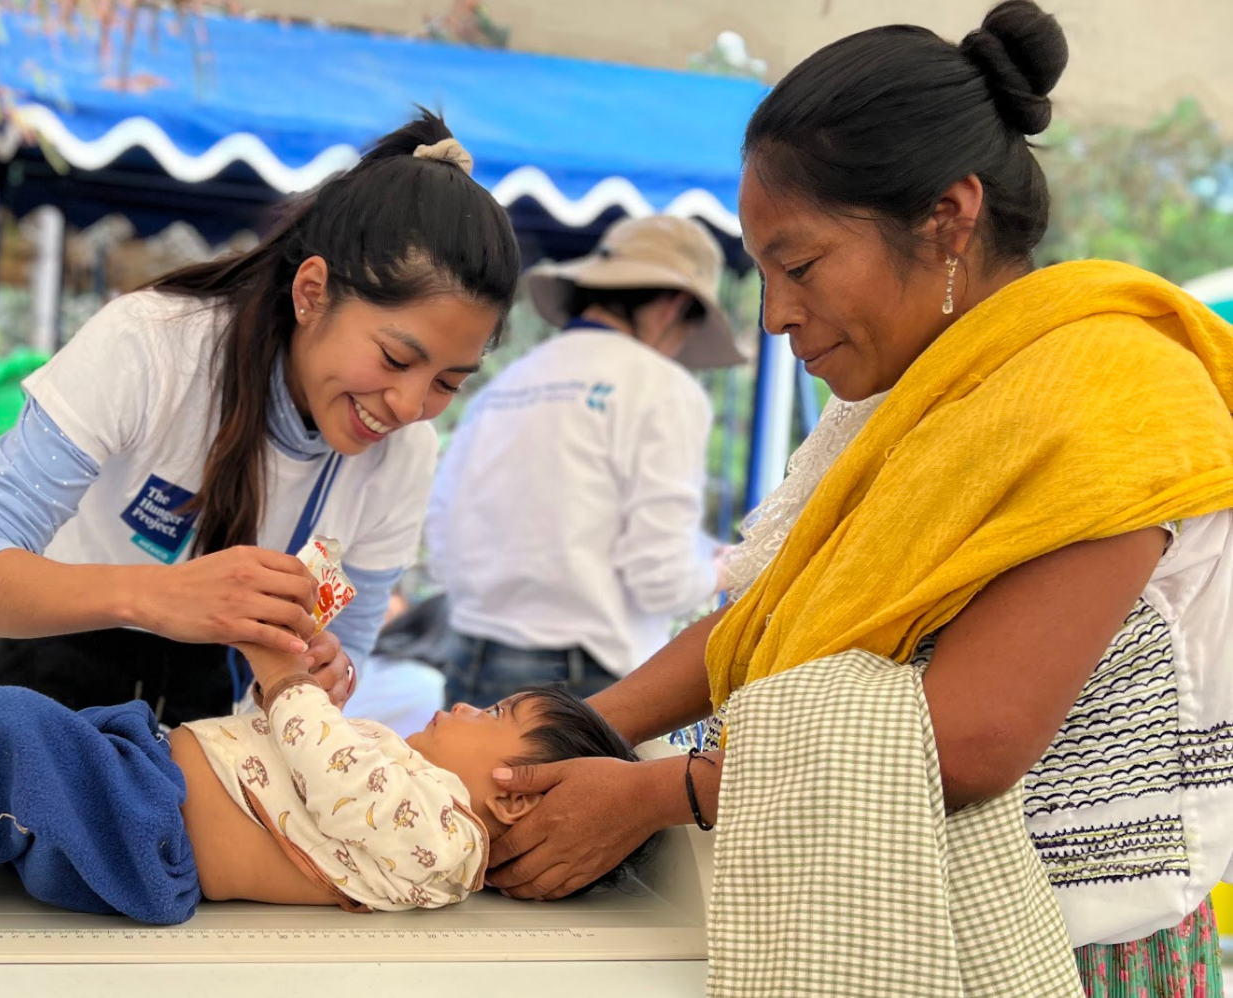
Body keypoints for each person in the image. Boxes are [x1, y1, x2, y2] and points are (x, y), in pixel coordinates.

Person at [482, 3, 1233, 995]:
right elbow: (761, 621)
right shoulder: (897, 401)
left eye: (799, 264)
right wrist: (568, 731)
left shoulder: (1110, 389)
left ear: (948, 217)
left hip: (1061, 947)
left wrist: (652, 794)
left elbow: (969, 736)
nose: (779, 312)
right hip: (906, 909)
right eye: (764, 274)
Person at [0, 110, 521, 725]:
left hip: (205, 733)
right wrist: (157, 598)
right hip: (42, 694)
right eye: (394, 358)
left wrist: (323, 676)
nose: (410, 408)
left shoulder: (405, 453)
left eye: (447, 382)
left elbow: (349, 647)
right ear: (312, 293)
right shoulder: (153, 346)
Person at [0, 636, 640, 923]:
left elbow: (345, 790)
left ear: (512, 792)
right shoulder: (403, 777)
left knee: (1, 724)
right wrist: (309, 696)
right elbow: (321, 768)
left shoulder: (446, 841)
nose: (469, 710)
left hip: (145, 837)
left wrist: (294, 694)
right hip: (137, 776)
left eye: (497, 718)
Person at [426, 216, 745, 707]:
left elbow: (442, 542)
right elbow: (661, 580)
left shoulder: (506, 384)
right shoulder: (663, 388)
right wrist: (723, 570)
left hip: (466, 661)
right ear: (673, 306)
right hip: (581, 678)